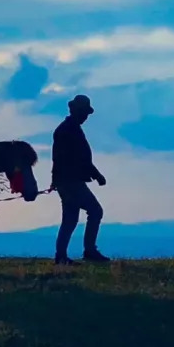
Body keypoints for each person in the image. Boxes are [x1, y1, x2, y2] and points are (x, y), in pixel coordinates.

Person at [51, 94, 110, 264]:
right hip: (71, 181)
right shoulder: (69, 130)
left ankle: (61, 256)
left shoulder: (68, 128)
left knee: (70, 218)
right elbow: (79, 159)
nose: (86, 117)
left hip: (66, 181)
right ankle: (88, 251)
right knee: (95, 211)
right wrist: (97, 175)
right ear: (77, 111)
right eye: (84, 113)